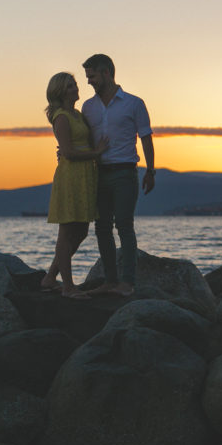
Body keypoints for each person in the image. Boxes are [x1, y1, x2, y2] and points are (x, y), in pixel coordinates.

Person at [80, 53, 155, 296]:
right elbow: (84, 140)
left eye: (92, 76)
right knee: (101, 227)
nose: (89, 81)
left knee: (124, 225)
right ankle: (110, 281)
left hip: (125, 172)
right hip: (98, 173)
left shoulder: (134, 103)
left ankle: (128, 283)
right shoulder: (88, 107)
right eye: (87, 77)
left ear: (106, 73)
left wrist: (151, 171)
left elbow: (146, 137)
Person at [42, 72, 109, 299]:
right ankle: (68, 287)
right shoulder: (61, 117)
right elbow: (69, 152)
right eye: (70, 86)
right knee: (67, 231)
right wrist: (96, 152)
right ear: (60, 92)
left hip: (85, 176)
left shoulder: (77, 115)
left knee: (80, 231)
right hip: (71, 177)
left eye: (75, 84)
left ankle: (51, 277)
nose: (75, 88)